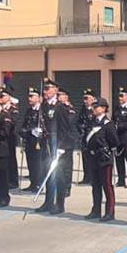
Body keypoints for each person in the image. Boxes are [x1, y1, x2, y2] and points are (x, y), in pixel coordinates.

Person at [39, 79, 77, 215]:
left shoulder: (60, 107)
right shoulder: (44, 105)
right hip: (47, 144)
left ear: (55, 90)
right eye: (44, 89)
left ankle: (60, 204)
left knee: (59, 175)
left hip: (59, 144)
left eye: (48, 89)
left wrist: (62, 146)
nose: (45, 92)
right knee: (47, 174)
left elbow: (65, 129)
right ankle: (48, 202)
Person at [84, 97, 119, 221]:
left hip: (104, 158)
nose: (93, 109)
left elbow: (115, 141)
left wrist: (106, 150)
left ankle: (110, 212)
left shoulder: (108, 124)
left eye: (96, 107)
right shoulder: (92, 122)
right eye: (93, 107)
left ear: (103, 108)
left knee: (107, 186)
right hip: (93, 157)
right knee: (95, 185)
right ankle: (96, 210)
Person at [21, 87, 46, 193]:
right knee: (30, 163)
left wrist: (41, 131)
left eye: (32, 96)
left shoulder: (43, 110)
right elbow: (25, 125)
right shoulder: (29, 110)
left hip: (39, 141)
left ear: (39, 98)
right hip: (29, 139)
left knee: (38, 164)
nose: (29, 98)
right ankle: (33, 183)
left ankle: (39, 184)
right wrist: (24, 132)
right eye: (29, 96)